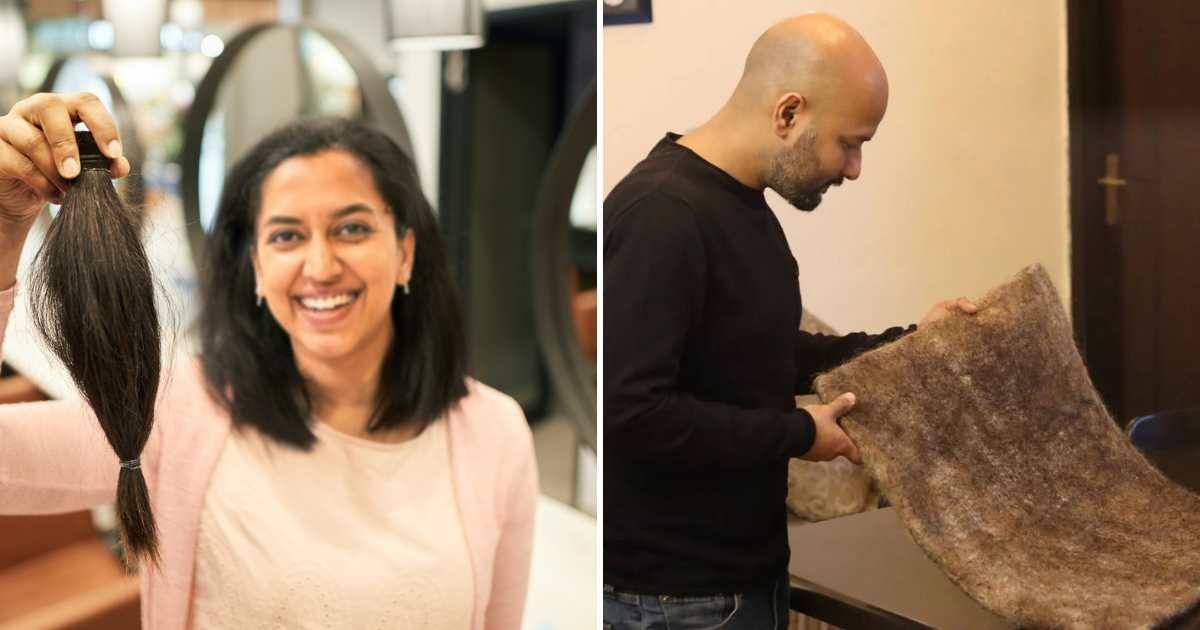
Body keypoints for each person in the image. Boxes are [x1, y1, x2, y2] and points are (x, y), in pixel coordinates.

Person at [0, 92, 537, 630]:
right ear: (256, 266)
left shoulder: (495, 432)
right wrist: (4, 228)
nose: (321, 266)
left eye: (352, 228)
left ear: (406, 253)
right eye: (286, 236)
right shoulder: (179, 416)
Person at [603, 13, 977, 629]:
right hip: (677, 600)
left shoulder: (739, 204)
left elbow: (768, 351)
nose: (853, 168)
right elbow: (632, 412)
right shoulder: (662, 215)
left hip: (744, 577)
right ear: (788, 113)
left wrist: (917, 345)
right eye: (849, 142)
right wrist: (800, 435)